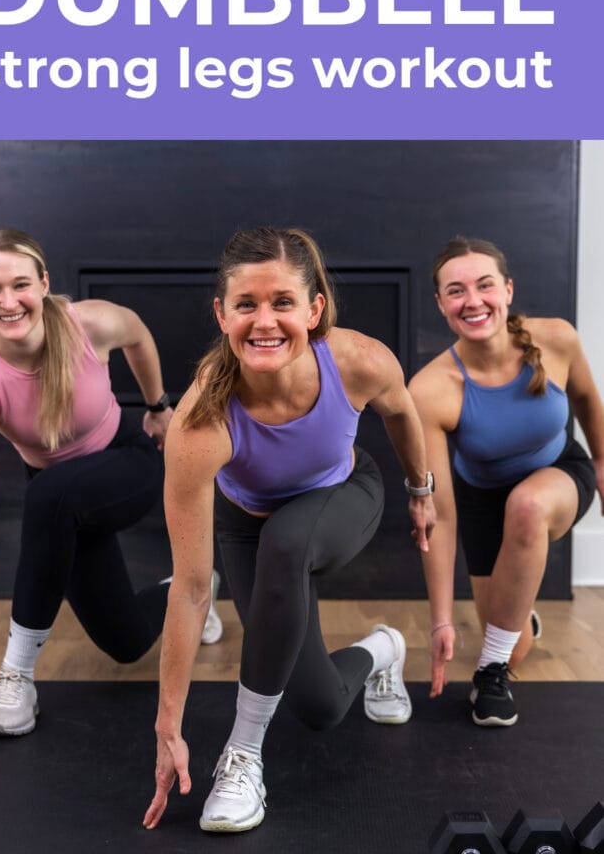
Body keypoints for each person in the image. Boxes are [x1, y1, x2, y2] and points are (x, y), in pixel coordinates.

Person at [143, 226, 436, 834]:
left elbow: (404, 413)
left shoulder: (357, 359)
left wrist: (420, 492)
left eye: (283, 302)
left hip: (347, 495)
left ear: (314, 309)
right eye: (247, 304)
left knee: (290, 541)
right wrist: (167, 725)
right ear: (222, 314)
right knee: (320, 706)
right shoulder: (199, 424)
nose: (265, 321)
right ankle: (384, 650)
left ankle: (242, 755)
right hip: (250, 530)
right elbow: (194, 589)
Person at [0, 227, 222, 738]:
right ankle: (191, 595)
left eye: (20, 284)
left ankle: (18, 676)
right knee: (126, 641)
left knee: (47, 492)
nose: (8, 302)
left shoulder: (89, 323)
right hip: (62, 509)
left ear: (44, 282)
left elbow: (137, 332)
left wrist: (158, 407)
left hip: (128, 465)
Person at [408, 236, 604, 727]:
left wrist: (602, 463)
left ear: (508, 290)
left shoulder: (556, 339)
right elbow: (441, 515)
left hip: (558, 473)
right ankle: (516, 631)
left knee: (528, 506)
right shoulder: (430, 389)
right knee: (517, 646)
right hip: (480, 502)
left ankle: (489, 675)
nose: (472, 301)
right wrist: (441, 621)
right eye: (456, 291)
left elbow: (587, 402)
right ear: (440, 304)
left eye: (485, 285)